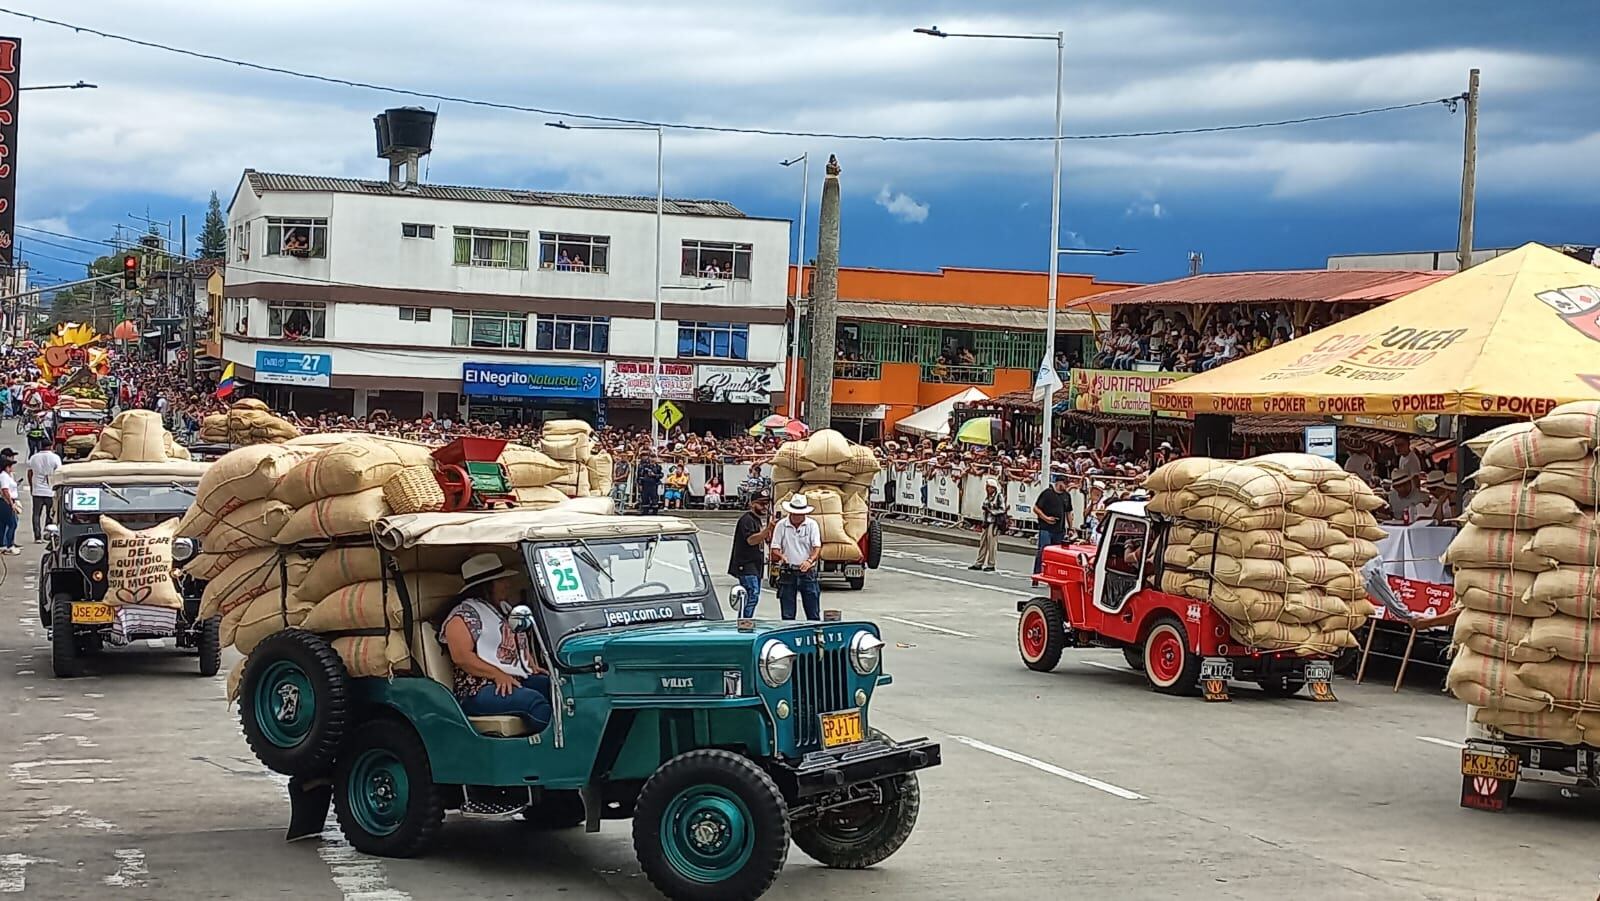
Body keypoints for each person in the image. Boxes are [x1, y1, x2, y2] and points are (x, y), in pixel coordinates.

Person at [440, 553, 552, 732]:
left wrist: (527, 663)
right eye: (500, 581)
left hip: (512, 678)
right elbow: (461, 657)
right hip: (478, 688)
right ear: (486, 586)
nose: (507, 584)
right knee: (534, 702)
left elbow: (513, 640)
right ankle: (554, 750)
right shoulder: (462, 615)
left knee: (555, 687)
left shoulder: (503, 609)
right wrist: (496, 674)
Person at [769, 492, 822, 621]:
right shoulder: (782, 525)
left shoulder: (812, 525)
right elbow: (774, 547)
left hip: (807, 572)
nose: (798, 516)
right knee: (787, 613)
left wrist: (809, 561)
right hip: (788, 571)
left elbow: (817, 547)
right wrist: (782, 556)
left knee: (813, 611)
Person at [728, 489, 773, 618]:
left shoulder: (757, 520)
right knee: (751, 595)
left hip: (755, 565)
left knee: (753, 596)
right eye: (761, 504)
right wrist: (767, 529)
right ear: (752, 504)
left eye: (766, 504)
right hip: (746, 565)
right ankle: (744, 621)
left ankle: (746, 619)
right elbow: (751, 540)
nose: (764, 507)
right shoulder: (747, 520)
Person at [1032, 472, 1073, 573]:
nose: (1066, 486)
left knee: (1057, 554)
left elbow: (1068, 512)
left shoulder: (1066, 496)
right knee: (1043, 551)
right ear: (1059, 483)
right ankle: (1037, 574)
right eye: (1065, 483)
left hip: (1059, 529)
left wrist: (1071, 528)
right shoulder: (1047, 493)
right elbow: (1036, 508)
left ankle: (1052, 573)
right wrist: (1045, 518)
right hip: (1046, 527)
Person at [23, 443, 60, 543]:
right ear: (51, 446)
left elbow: (29, 473)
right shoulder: (55, 458)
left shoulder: (34, 458)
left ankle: (37, 537)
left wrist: (32, 486)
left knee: (36, 514)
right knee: (50, 514)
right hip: (50, 491)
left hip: (37, 491)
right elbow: (59, 472)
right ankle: (47, 534)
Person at [971, 480, 1006, 572]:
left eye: (989, 487)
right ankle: (979, 562)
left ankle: (991, 564)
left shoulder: (999, 496)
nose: (987, 489)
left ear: (993, 488)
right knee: (983, 542)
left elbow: (1002, 509)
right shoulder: (988, 496)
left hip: (994, 522)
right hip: (986, 521)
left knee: (992, 544)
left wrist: (991, 510)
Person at [0, 454, 20, 554]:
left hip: (6, 501)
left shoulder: (7, 476)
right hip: (6, 501)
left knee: (3, 524)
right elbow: (5, 490)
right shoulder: (4, 476)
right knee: (13, 523)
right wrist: (11, 503)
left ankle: (2, 545)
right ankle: (9, 545)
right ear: (7, 467)